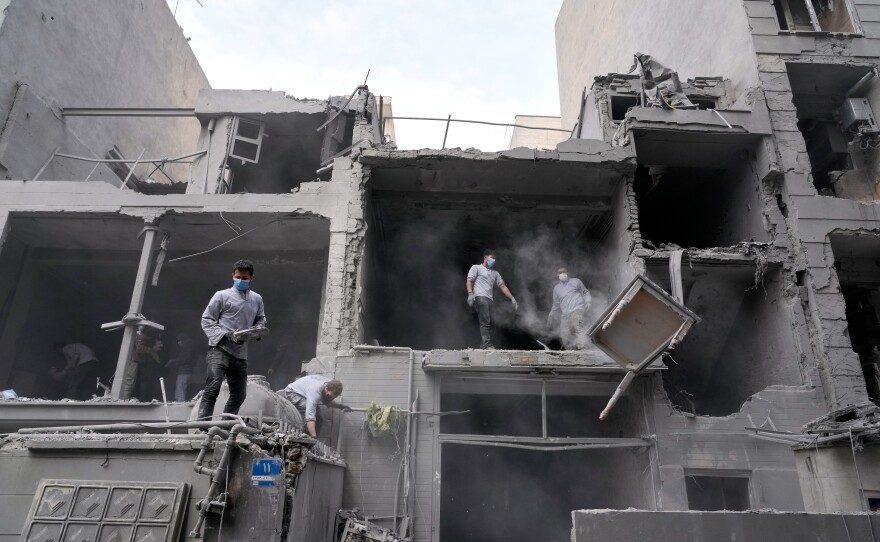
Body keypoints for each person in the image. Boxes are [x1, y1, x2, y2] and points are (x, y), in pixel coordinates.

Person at [198, 259, 267, 421]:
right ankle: (202, 425)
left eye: (244, 278)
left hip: (240, 354)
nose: (241, 281)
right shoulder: (221, 295)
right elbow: (207, 320)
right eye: (238, 277)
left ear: (252, 278)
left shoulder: (256, 299)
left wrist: (257, 331)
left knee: (239, 395)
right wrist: (226, 334)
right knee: (213, 388)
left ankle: (224, 426)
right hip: (219, 349)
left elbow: (261, 319)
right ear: (232, 276)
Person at [466, 249, 518, 349]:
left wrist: (512, 298)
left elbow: (503, 286)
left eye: (495, 259)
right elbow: (469, 280)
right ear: (485, 257)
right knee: (485, 321)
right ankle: (486, 345)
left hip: (490, 299)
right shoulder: (476, 268)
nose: (493, 260)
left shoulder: (495, 273)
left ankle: (483, 344)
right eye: (492, 258)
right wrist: (470, 293)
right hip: (480, 297)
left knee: (492, 323)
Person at [284, 374, 350, 437]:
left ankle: (311, 436)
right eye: (329, 396)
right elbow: (310, 415)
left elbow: (327, 400)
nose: (330, 398)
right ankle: (306, 437)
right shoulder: (315, 391)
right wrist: (313, 436)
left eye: (332, 397)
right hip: (292, 392)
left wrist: (340, 406)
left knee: (319, 417)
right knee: (311, 412)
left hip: (303, 393)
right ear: (326, 389)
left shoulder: (329, 385)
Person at [546, 266, 592, 350]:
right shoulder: (556, 288)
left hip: (577, 308)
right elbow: (556, 304)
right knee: (564, 333)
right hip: (566, 313)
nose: (562, 274)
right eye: (560, 273)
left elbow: (585, 292)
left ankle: (583, 349)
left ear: (568, 273)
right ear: (557, 275)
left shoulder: (576, 281)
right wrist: (551, 314)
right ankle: (570, 351)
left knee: (578, 327)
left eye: (564, 272)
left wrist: (588, 301)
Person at [165, 333, 197, 401]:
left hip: (184, 371)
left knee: (180, 390)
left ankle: (180, 403)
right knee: (182, 388)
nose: (178, 343)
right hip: (187, 371)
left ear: (183, 340)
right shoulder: (189, 348)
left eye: (179, 341)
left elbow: (184, 359)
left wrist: (174, 361)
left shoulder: (187, 349)